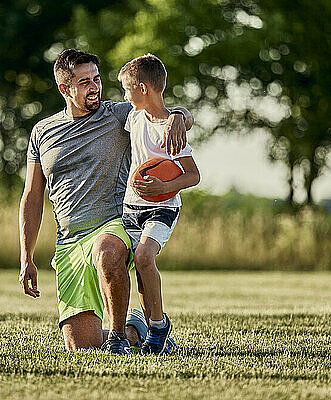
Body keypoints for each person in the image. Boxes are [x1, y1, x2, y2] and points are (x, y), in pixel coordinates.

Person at [18, 49, 193, 354]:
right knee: (82, 347)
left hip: (115, 225)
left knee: (107, 250)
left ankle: (117, 337)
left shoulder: (117, 115)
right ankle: (135, 329)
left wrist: (180, 116)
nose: (95, 86)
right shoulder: (41, 132)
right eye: (84, 82)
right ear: (65, 89)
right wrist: (26, 256)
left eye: (96, 79)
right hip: (69, 242)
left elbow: (155, 103)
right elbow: (32, 196)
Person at [117, 54, 201, 354]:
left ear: (142, 88)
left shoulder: (171, 129)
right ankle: (155, 327)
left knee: (143, 257)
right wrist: (182, 112)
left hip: (162, 207)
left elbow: (193, 175)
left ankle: (159, 324)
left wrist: (165, 186)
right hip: (132, 206)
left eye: (127, 90)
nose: (124, 97)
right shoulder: (134, 118)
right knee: (141, 269)